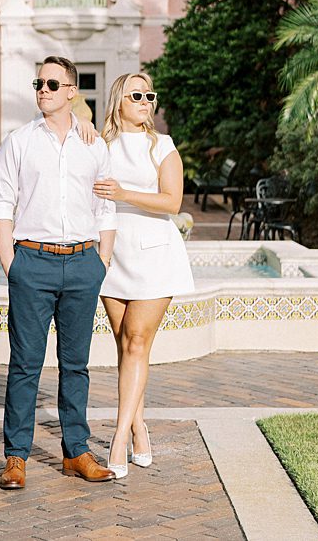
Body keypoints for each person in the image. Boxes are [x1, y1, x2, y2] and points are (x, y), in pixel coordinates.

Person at [0, 55, 118, 490]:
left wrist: (101, 261)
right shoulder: (18, 142)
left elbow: (106, 205)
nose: (42, 90)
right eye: (37, 83)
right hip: (32, 263)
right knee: (25, 365)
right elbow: (1, 204)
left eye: (51, 84)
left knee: (75, 365)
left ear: (70, 92)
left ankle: (76, 452)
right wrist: (13, 264)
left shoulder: (92, 143)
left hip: (84, 263)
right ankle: (15, 458)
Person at [96, 72, 194, 478]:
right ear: (118, 100)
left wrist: (123, 194)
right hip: (111, 256)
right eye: (136, 94)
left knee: (137, 342)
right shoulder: (100, 146)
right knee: (124, 346)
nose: (145, 101)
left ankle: (119, 436)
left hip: (155, 256)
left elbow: (172, 202)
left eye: (149, 95)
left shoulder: (163, 146)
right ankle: (138, 425)